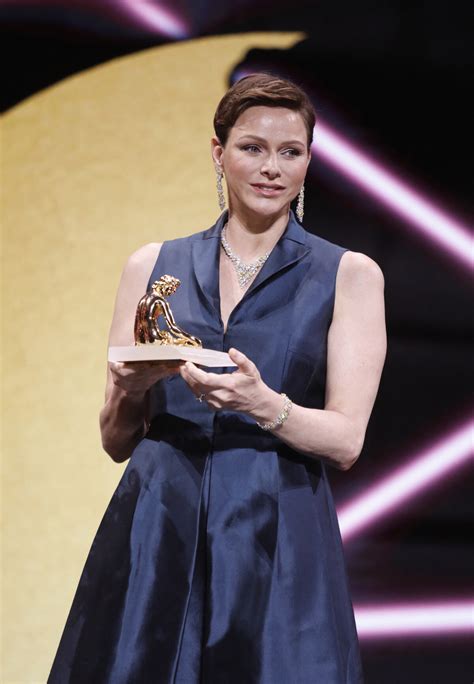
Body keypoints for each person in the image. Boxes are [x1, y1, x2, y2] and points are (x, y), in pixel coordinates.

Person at [49, 73, 386, 683]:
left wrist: (263, 403)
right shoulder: (153, 265)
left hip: (275, 524)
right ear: (218, 152)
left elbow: (346, 441)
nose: (272, 168)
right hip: (159, 519)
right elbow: (115, 439)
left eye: (291, 152)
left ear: (309, 161)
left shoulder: (349, 274)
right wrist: (131, 386)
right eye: (253, 147)